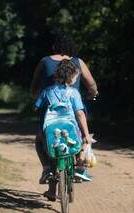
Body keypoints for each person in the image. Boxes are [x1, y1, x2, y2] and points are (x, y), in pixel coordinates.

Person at [30, 33, 98, 183]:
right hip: (73, 114)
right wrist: (92, 94)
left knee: (41, 140)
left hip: (49, 114)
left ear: (54, 47)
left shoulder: (44, 61)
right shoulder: (77, 63)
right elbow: (91, 85)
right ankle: (80, 167)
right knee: (83, 136)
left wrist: (36, 98)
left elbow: (34, 87)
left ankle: (47, 169)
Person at [34, 59, 92, 201]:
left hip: (51, 129)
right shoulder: (74, 93)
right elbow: (80, 114)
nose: (76, 79)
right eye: (76, 77)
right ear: (71, 76)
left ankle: (47, 168)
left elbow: (35, 107)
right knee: (86, 139)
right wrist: (86, 134)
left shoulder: (47, 91)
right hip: (70, 128)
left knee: (39, 142)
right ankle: (79, 164)